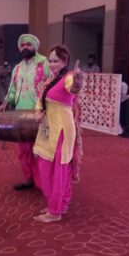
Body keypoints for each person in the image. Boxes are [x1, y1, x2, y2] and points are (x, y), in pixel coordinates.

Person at [33, 44, 83, 223]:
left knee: (58, 171)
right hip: (47, 129)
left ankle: (55, 212)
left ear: (65, 62)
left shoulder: (68, 77)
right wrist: (38, 112)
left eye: (56, 61)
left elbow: (73, 88)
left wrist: (77, 82)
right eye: (50, 60)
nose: (52, 64)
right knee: (45, 168)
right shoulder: (50, 80)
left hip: (61, 130)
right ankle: (59, 203)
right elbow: (41, 100)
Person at [0, 34, 50, 191]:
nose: (25, 47)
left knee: (40, 151)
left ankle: (42, 183)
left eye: (29, 45)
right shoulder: (18, 68)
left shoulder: (45, 63)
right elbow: (13, 91)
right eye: (23, 45)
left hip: (40, 115)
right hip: (20, 116)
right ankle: (28, 178)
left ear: (35, 47)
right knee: (24, 150)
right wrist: (5, 103)